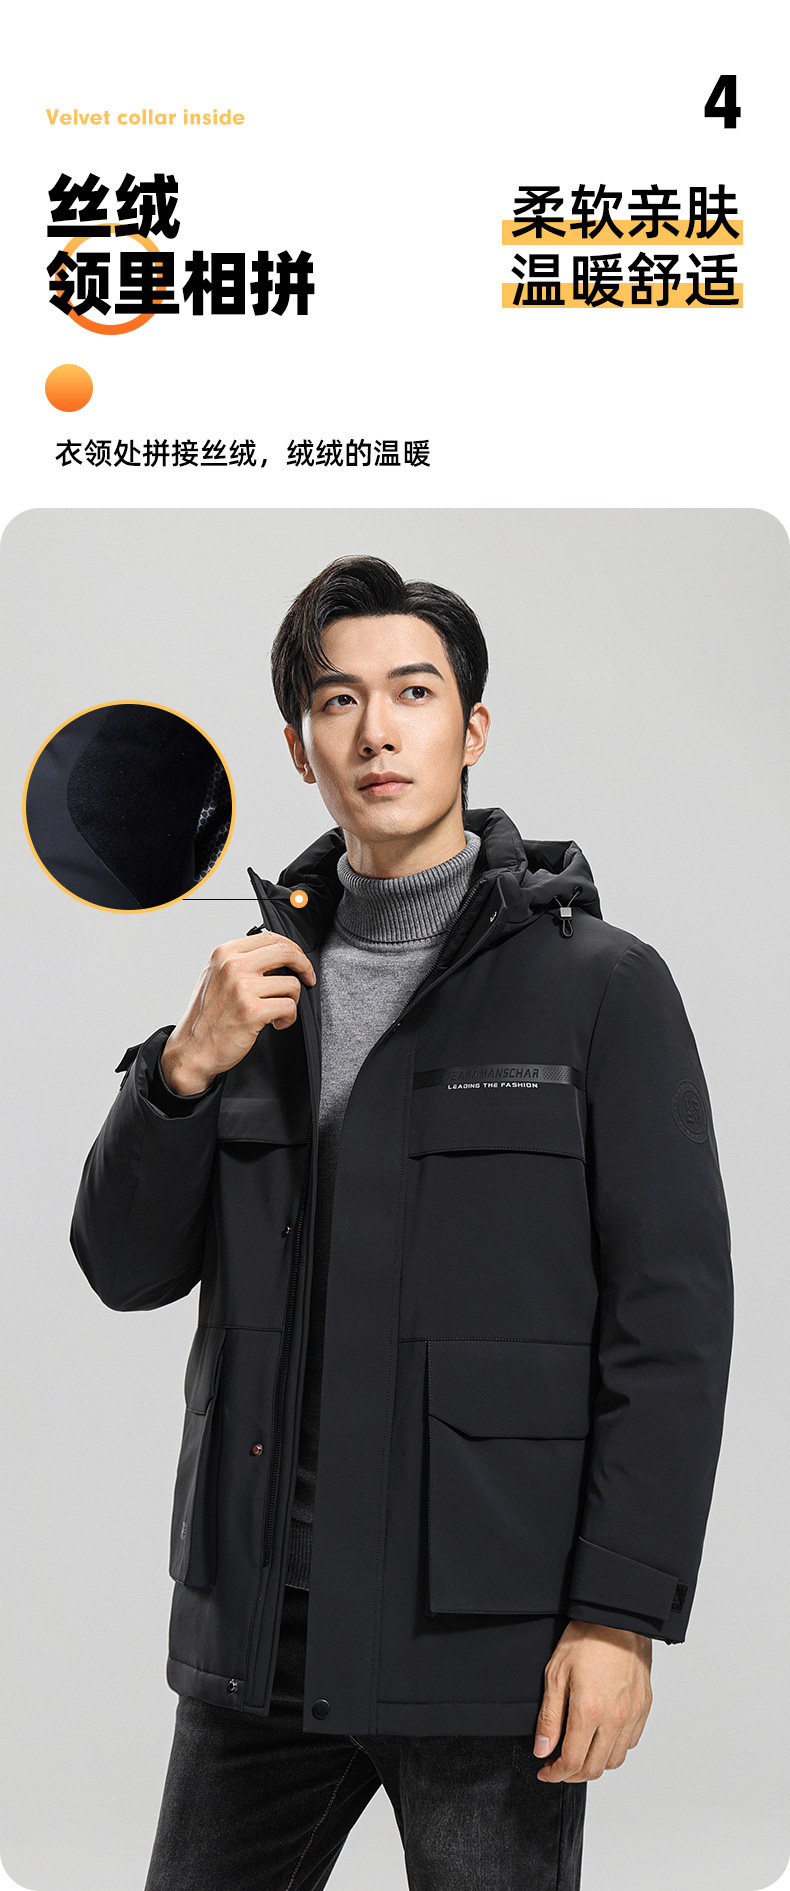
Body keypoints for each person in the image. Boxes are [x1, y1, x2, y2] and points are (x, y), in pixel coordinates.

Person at [70, 555, 734, 1890]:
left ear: (471, 729)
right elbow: (122, 1268)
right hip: (260, 1637)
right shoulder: (248, 994)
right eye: (338, 700)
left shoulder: (600, 988)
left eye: (413, 693)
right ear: (299, 747)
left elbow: (671, 1321)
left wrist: (618, 1617)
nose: (376, 730)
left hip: (486, 1646)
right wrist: (180, 1072)